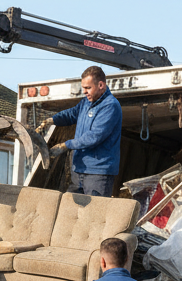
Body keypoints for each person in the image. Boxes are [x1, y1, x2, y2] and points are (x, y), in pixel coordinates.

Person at [45, 65, 123, 197]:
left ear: (101, 85)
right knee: (73, 210)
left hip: (98, 172)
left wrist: (66, 145)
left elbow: (94, 136)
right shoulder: (85, 103)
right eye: (83, 88)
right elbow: (71, 114)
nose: (85, 92)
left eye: (88, 88)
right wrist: (52, 120)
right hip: (79, 169)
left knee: (94, 213)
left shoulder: (110, 106)